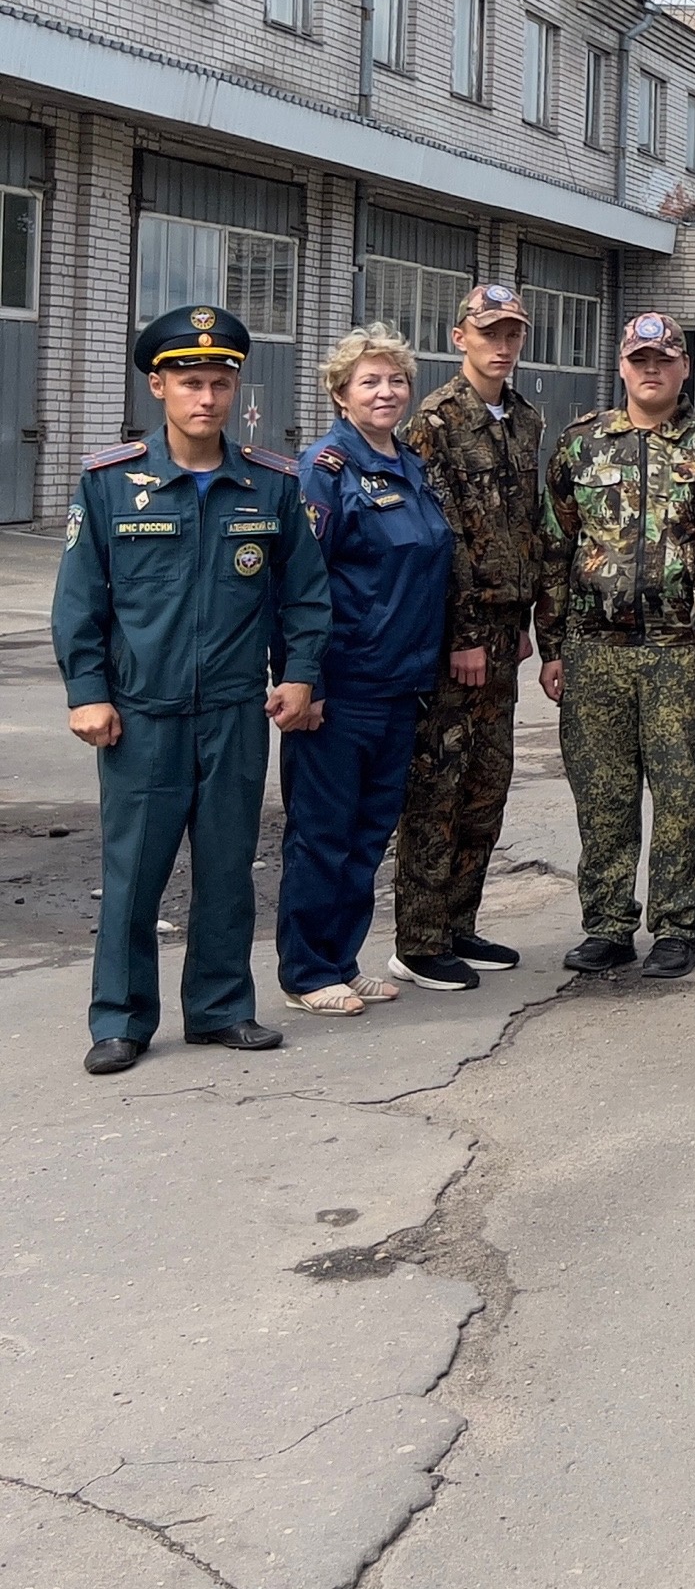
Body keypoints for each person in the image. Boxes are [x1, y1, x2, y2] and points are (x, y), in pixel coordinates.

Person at [53, 306, 329, 1072]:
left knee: (227, 868)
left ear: (237, 389)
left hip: (235, 713)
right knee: (133, 875)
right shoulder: (112, 482)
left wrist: (301, 674)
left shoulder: (269, 485)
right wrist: (88, 690)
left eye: (219, 382)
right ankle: (120, 1020)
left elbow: (304, 594)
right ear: (158, 387)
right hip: (141, 716)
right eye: (189, 382)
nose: (205, 398)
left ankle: (218, 1009)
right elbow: (81, 600)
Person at [538, 313, 695, 980]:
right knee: (604, 795)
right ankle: (608, 925)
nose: (651, 370)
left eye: (664, 359)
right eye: (640, 359)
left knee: (683, 796)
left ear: (683, 368)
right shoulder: (583, 444)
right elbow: (555, 546)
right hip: (595, 650)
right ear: (622, 367)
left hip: (679, 647)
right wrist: (551, 646)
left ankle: (677, 925)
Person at [276, 325, 455, 1016]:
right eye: (369, 382)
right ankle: (306, 970)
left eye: (396, 380)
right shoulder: (325, 470)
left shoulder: (407, 465)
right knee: (322, 834)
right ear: (340, 393)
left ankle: (341, 960)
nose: (386, 392)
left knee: (367, 833)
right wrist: (306, 682)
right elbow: (299, 583)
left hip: (400, 683)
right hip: (342, 686)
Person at [389, 281, 546, 993]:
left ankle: (459, 921)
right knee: (439, 785)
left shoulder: (524, 420)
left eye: (512, 332)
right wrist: (464, 634)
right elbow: (439, 537)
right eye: (489, 333)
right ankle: (418, 941)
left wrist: (523, 626)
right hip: (460, 641)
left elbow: (524, 530)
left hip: (505, 634)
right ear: (461, 338)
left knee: (487, 784)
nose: (502, 345)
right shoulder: (433, 422)